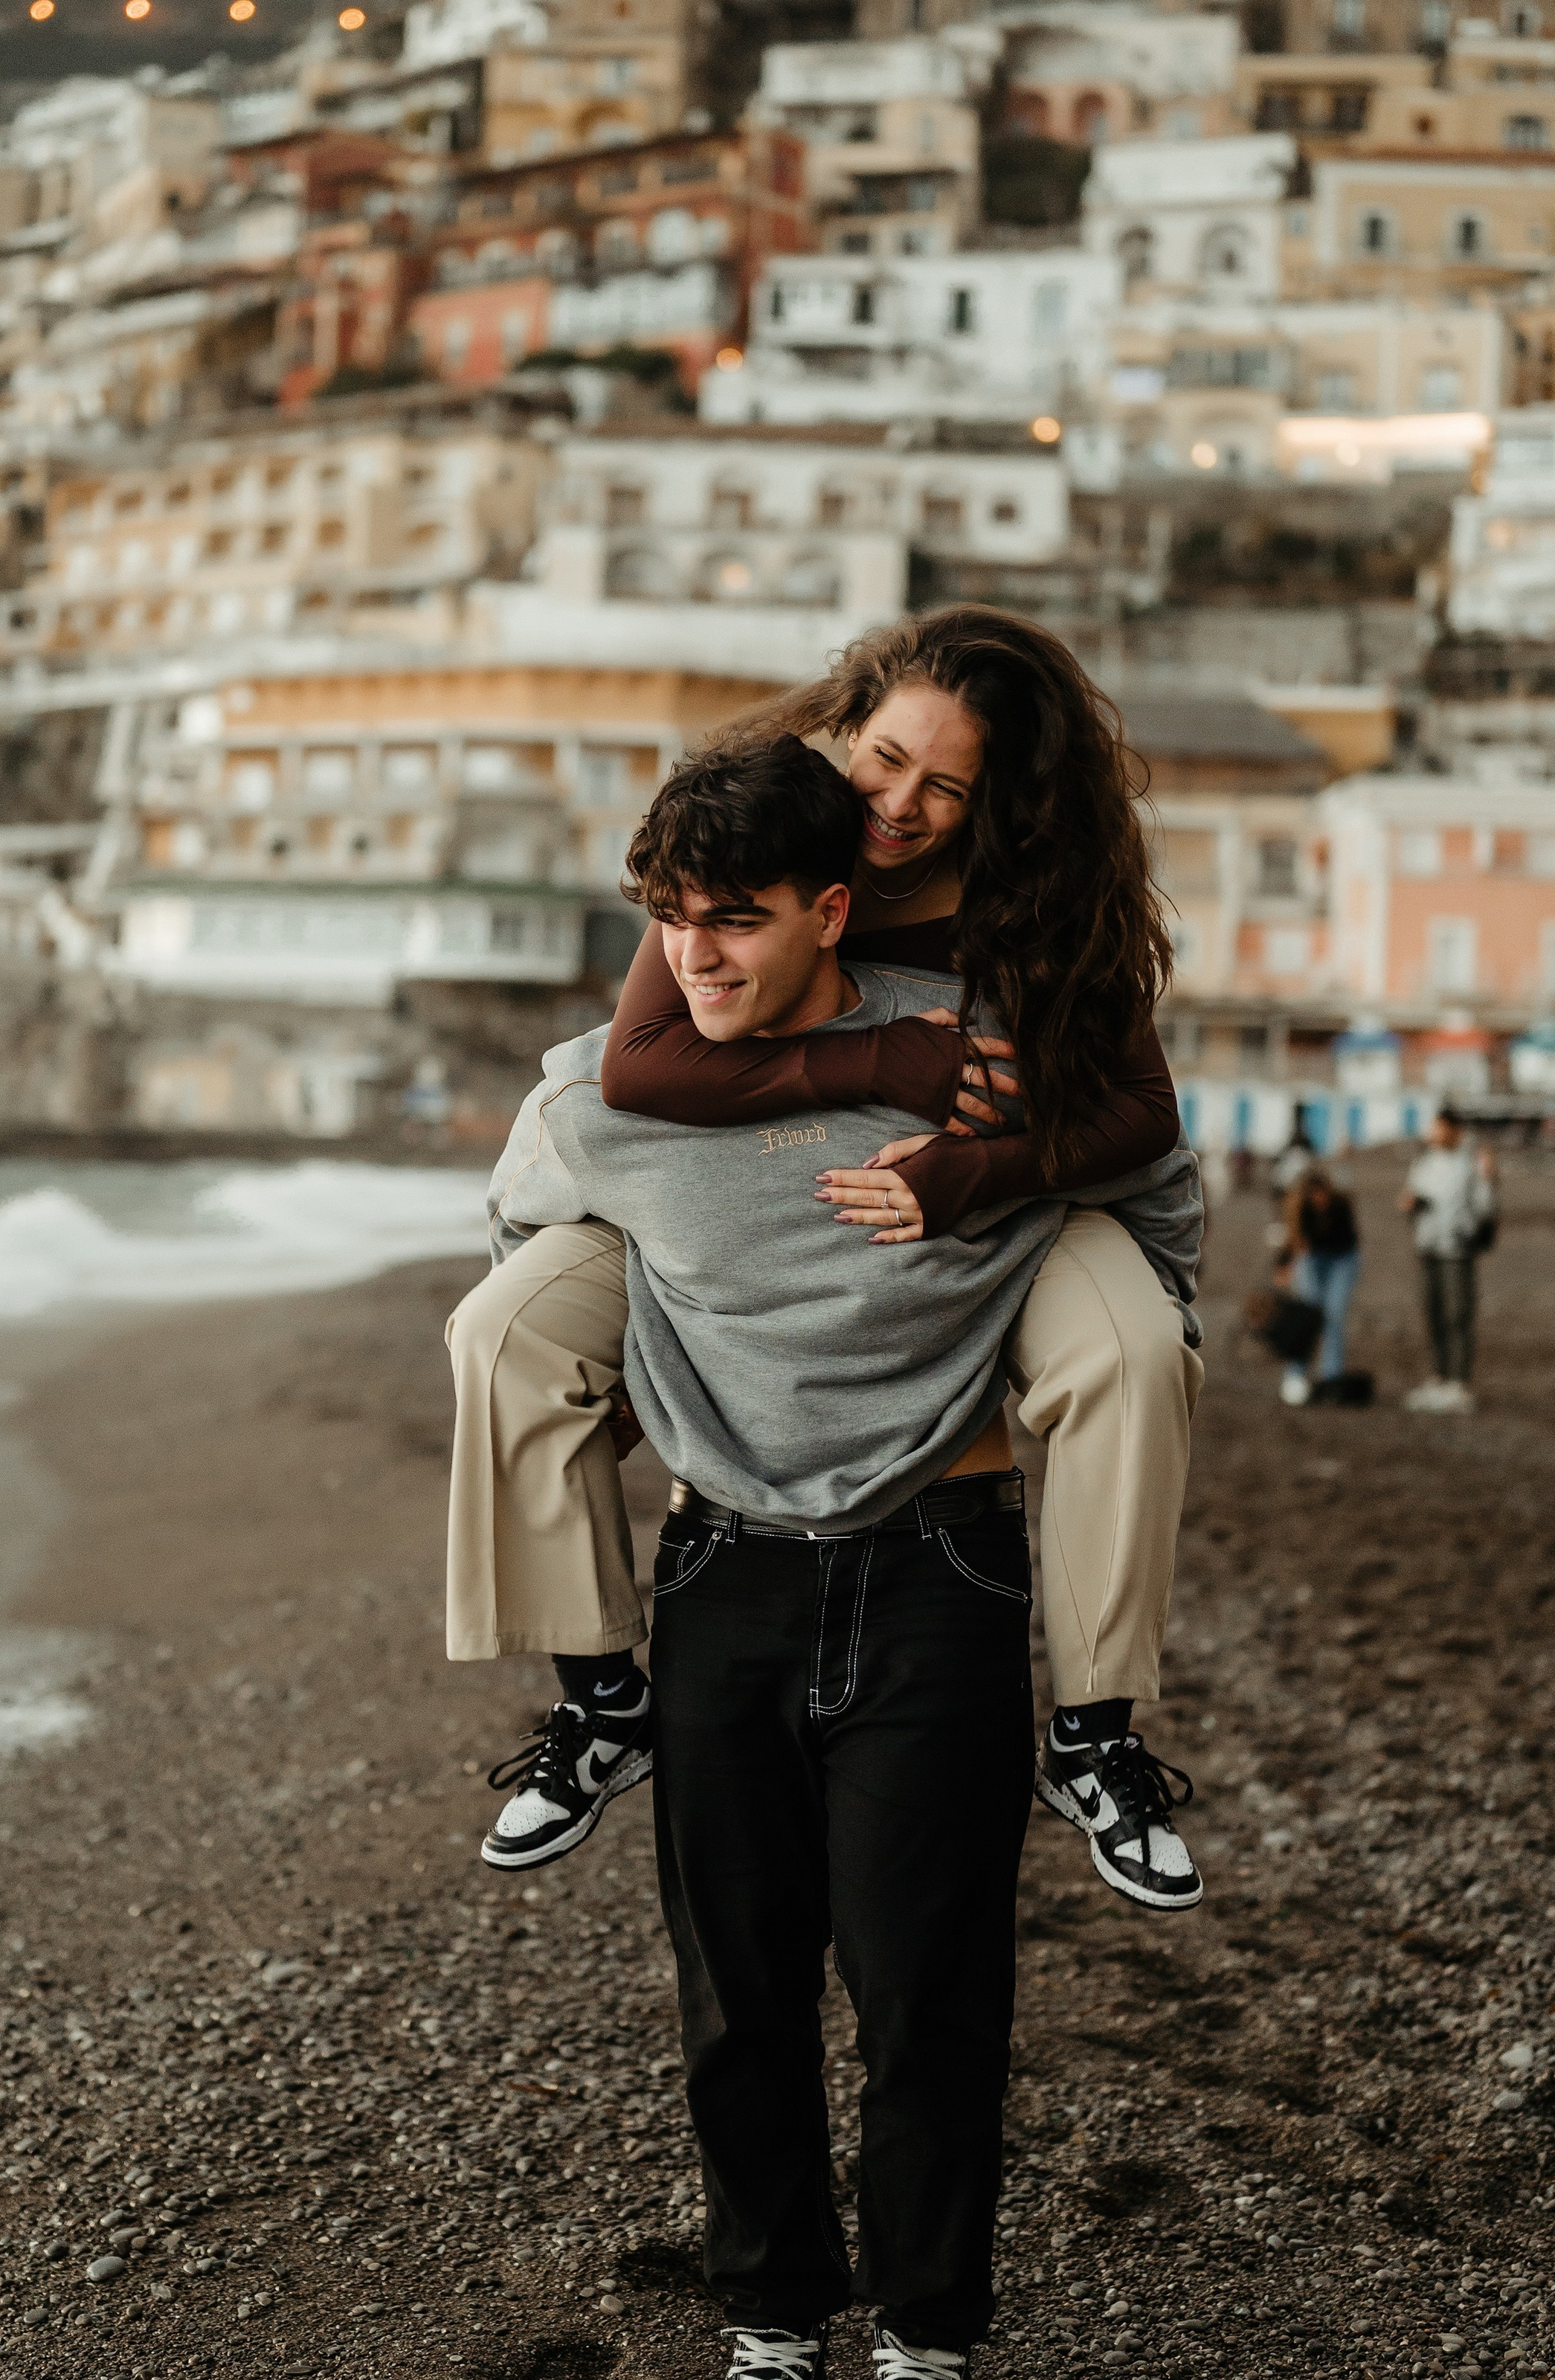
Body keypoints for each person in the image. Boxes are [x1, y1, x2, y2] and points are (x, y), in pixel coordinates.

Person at [470, 744, 1197, 2380]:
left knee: (927, 1994)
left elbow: (1148, 1180)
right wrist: (654, 1342)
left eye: (733, 919)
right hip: (720, 1574)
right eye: (668, 922)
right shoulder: (599, 1093)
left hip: (942, 1568)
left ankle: (929, 2338)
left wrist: (1074, 1286)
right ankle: (770, 2322)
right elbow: (528, 1251)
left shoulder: (971, 1061)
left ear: (832, 910)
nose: (695, 954)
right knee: (737, 1992)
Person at [447, 606, 1206, 1914]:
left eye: (946, 786)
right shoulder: (766, 824)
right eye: (887, 757)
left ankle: (1095, 1732)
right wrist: (881, 1060)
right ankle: (601, 1698)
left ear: (999, 799)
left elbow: (1142, 1114)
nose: (900, 802)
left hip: (1001, 1199)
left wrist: (981, 1170)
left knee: (1131, 1353)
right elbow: (641, 1063)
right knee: (501, 1335)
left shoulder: (1038, 902)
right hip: (713, 1189)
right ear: (848, 722)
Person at [1399, 1110, 1497, 1414]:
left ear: (1454, 1130)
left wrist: (1489, 1180)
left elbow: (1485, 1205)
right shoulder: (1424, 1163)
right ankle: (1439, 1377)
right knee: (1434, 1314)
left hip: (1457, 1250)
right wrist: (1412, 1204)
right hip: (1428, 1247)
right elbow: (1411, 1197)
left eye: (1439, 1128)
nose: (1433, 1133)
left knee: (1458, 1315)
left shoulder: (1470, 1164)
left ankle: (1459, 1383)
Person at [1278, 1166, 1361, 1406]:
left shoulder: (1341, 1205)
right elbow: (1293, 1239)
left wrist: (1309, 1241)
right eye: (1313, 1195)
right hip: (1313, 1259)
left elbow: (1344, 1239)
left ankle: (1331, 1376)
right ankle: (1295, 1374)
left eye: (1322, 1194)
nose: (1319, 1199)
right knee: (1307, 1317)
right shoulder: (1300, 1209)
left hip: (1342, 1260)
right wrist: (1284, 1265)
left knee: (1333, 1315)